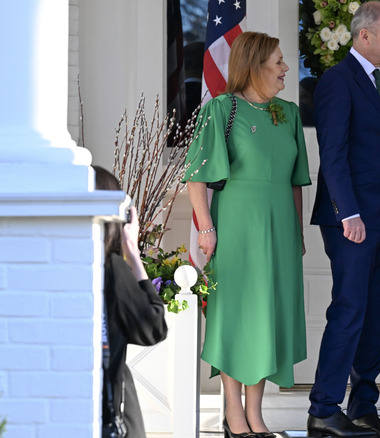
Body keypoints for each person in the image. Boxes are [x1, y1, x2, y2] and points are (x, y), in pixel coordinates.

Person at [182, 31, 311, 438]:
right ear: (254, 66)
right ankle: (234, 416)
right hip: (236, 227)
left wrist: (298, 233)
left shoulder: (288, 114)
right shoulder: (221, 109)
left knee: (267, 318)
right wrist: (206, 228)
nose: (285, 69)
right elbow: (196, 177)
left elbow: (296, 182)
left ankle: (256, 416)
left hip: (279, 231)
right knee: (237, 318)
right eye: (277, 62)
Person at [308, 2, 380, 437]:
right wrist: (348, 212)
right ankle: (324, 409)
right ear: (364, 36)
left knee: (376, 314)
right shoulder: (337, 81)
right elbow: (331, 153)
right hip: (350, 220)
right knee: (349, 310)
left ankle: (363, 406)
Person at [96, 166, 168, 438]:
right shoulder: (110, 269)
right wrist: (133, 253)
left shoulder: (54, 261)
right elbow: (153, 328)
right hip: (110, 409)